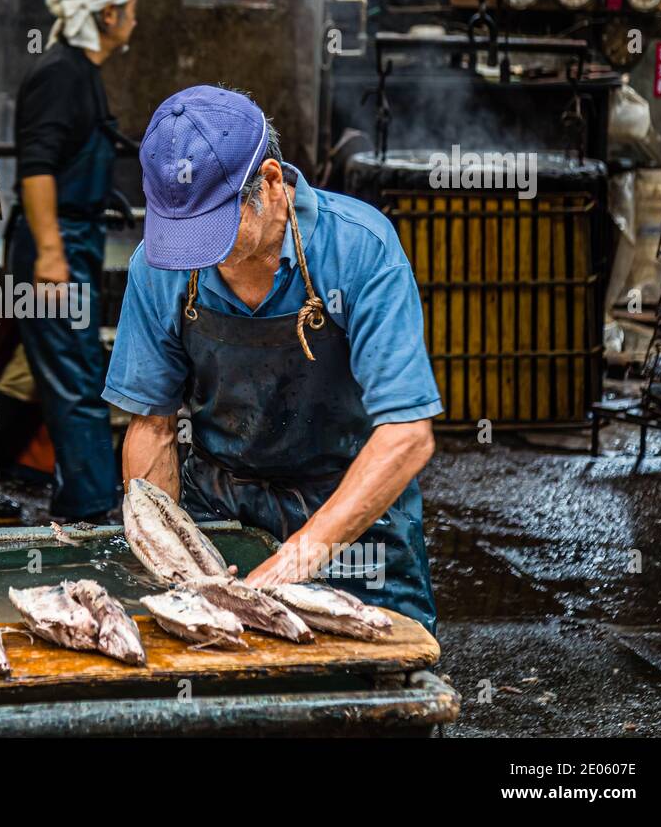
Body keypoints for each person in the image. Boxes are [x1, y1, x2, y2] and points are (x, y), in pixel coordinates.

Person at [104, 85, 442, 633]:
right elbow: (153, 425)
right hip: (220, 512)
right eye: (180, 235)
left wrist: (294, 563)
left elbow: (407, 434)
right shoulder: (159, 265)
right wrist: (170, 563)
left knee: (380, 698)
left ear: (269, 183)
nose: (193, 254)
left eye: (209, 231)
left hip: (353, 521)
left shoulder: (361, 248)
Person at [5, 0, 138, 523]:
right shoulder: (59, 74)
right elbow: (35, 169)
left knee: (46, 367)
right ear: (107, 13)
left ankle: (4, 474)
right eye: (130, 10)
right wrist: (53, 254)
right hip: (51, 246)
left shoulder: (82, 72)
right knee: (76, 377)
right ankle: (91, 514)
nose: (134, 19)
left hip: (71, 239)